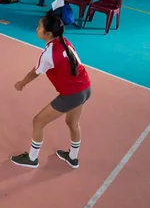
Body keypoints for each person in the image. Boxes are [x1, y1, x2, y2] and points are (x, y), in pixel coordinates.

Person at [10, 13, 91, 169]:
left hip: (72, 94)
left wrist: (22, 83)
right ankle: (73, 158)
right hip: (85, 88)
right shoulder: (64, 41)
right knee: (72, 122)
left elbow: (35, 72)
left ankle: (32, 159)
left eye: (39, 27)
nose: (36, 28)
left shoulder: (49, 53)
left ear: (48, 34)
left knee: (38, 121)